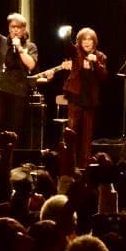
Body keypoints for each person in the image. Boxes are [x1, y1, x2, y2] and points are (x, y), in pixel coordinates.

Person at [0, 7, 38, 145]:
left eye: (18, 27)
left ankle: (11, 155)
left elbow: (31, 65)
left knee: (14, 127)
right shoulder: (2, 41)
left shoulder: (30, 47)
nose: (15, 30)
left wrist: (20, 48)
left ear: (24, 29)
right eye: (12, 27)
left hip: (18, 91)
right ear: (9, 28)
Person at [51, 27, 108, 164]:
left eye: (89, 39)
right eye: (84, 40)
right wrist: (67, 35)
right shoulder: (76, 52)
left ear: (94, 41)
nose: (87, 42)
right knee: (72, 130)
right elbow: (68, 46)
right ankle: (69, 161)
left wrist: (96, 62)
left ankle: (85, 163)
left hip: (90, 99)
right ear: (80, 42)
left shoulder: (100, 56)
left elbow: (104, 76)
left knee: (87, 134)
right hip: (75, 97)